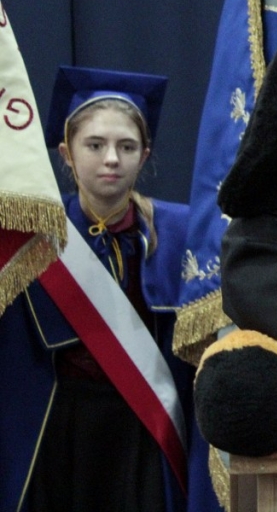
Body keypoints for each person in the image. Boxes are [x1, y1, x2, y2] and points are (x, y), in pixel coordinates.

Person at [0, 66, 221, 511]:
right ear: (66, 153)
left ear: (145, 154)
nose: (112, 159)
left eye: (127, 146)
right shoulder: (34, 237)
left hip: (145, 429)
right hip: (62, 431)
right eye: (95, 145)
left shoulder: (182, 233)